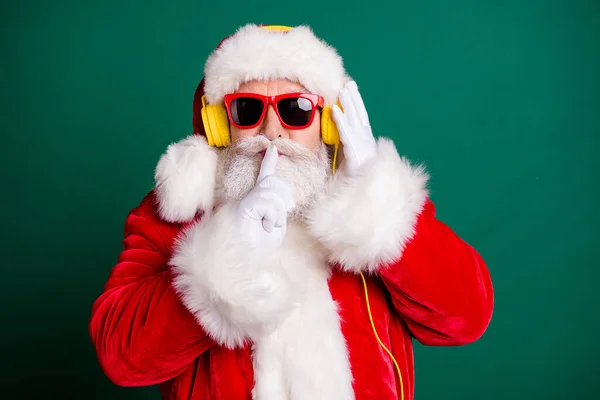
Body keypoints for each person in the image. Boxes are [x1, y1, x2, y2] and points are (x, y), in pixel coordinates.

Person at [89, 23, 494, 400]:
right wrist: (226, 259)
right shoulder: (175, 214)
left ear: (328, 123)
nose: (271, 131)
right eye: (247, 109)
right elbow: (120, 357)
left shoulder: (375, 204)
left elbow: (467, 317)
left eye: (295, 109)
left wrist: (379, 206)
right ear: (220, 124)